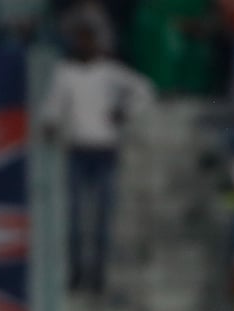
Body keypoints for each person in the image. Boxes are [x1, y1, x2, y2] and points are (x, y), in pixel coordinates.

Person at [39, 17, 153, 293]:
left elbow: (144, 90)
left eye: (90, 39)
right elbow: (51, 107)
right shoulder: (65, 72)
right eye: (82, 39)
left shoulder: (111, 72)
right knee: (76, 219)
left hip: (105, 151)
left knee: (101, 218)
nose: (86, 45)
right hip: (78, 151)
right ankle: (77, 273)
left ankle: (98, 275)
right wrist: (52, 123)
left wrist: (125, 112)